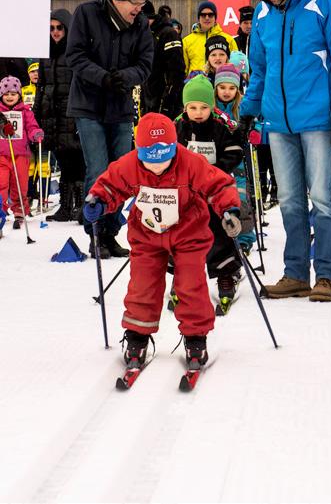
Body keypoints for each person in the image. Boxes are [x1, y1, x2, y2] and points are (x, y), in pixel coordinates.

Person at [242, 0, 331, 302]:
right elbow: (259, 69)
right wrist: (249, 108)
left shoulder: (326, 2)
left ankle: (325, 275)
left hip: (319, 120)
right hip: (278, 122)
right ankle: (295, 273)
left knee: (323, 199)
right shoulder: (264, 13)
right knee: (291, 200)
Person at [82, 113, 241, 368]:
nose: (157, 167)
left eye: (164, 159)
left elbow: (218, 185)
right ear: (139, 150)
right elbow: (111, 184)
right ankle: (137, 335)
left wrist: (228, 210)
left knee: (191, 285)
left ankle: (195, 337)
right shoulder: (130, 164)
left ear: (174, 147)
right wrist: (98, 201)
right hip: (147, 234)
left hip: (189, 233)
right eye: (149, 161)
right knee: (142, 284)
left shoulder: (190, 162)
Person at [66, 0, 154, 259]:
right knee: (99, 168)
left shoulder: (140, 24)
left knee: (121, 172)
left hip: (120, 107)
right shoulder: (86, 13)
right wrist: (102, 78)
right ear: (119, 0)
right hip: (88, 105)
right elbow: (75, 56)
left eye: (142, 5)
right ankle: (95, 232)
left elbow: (145, 65)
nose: (139, 10)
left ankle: (110, 232)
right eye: (136, 4)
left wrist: (124, 78)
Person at [174, 75, 245, 312]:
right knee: (183, 233)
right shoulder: (178, 126)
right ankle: (182, 277)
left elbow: (234, 151)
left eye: (204, 107)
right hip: (186, 191)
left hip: (215, 189)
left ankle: (226, 273)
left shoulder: (221, 124)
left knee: (218, 229)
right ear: (185, 107)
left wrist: (214, 171)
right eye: (192, 107)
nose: (198, 112)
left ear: (211, 107)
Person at [34, 8, 84, 223]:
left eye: (59, 28)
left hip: (71, 112)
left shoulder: (76, 51)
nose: (55, 32)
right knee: (62, 160)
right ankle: (65, 206)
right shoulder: (45, 53)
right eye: (51, 28)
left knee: (77, 161)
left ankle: (80, 206)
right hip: (51, 114)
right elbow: (41, 86)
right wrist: (37, 111)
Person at [214, 63, 257, 254]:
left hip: (239, 163)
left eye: (231, 88)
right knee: (221, 198)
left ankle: (246, 237)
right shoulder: (211, 109)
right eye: (222, 87)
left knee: (241, 198)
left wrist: (254, 131)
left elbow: (257, 124)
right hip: (219, 162)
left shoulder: (243, 108)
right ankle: (220, 234)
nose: (226, 92)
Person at [0, 76, 43, 228]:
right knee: (1, 183)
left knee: (20, 183)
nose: (9, 97)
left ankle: (19, 209)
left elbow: (31, 127)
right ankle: (1, 209)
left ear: (19, 94)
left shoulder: (25, 111)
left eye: (13, 93)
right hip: (1, 155)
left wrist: (36, 133)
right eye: (6, 94)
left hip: (21, 155)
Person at [141, 0, 185, 119]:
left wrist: (168, 100)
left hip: (165, 101)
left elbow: (178, 71)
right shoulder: (144, 33)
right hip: (149, 99)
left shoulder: (168, 34)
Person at [182, 1, 238, 76]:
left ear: (215, 17)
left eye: (210, 15)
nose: (207, 18)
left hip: (221, 84)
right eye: (203, 15)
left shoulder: (228, 39)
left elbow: (235, 65)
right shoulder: (187, 41)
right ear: (199, 18)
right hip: (196, 84)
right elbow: (183, 69)